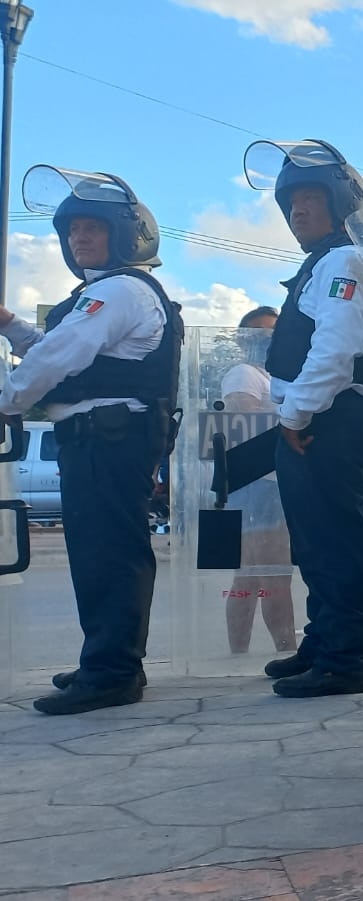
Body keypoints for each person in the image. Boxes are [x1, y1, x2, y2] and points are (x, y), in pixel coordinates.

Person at [0, 167, 181, 715]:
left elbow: (60, 356)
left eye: (92, 228)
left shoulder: (121, 289)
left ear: (128, 234)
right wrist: (10, 323)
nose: (79, 239)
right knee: (97, 554)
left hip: (110, 440)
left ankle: (113, 672)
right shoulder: (101, 295)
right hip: (97, 440)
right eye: (73, 229)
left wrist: (6, 398)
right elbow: (58, 347)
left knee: (109, 554)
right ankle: (104, 658)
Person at [254, 139, 363, 698]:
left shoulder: (347, 258)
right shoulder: (329, 260)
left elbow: (335, 351)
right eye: (291, 202)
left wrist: (295, 415)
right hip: (330, 416)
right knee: (318, 541)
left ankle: (345, 659)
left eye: (310, 197)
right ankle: (324, 641)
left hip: (332, 419)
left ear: (342, 199)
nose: (298, 211)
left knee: (337, 541)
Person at [222, 306, 298, 654]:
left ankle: (240, 652)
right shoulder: (244, 374)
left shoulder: (272, 376)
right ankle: (285, 650)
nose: (269, 341)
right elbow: (242, 421)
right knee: (273, 575)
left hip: (269, 486)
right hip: (258, 486)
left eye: (275, 333)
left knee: (252, 576)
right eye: (261, 335)